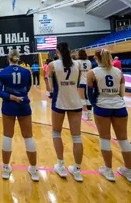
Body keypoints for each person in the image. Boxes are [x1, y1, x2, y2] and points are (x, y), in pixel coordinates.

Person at [87, 49, 131, 183]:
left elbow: (89, 93)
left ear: (96, 58)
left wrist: (94, 104)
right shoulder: (119, 72)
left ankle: (108, 170)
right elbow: (122, 92)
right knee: (123, 139)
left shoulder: (93, 72)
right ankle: (129, 171)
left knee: (104, 138)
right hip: (119, 106)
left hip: (102, 105)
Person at [0, 50, 39, 181]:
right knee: (28, 136)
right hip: (23, 104)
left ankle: (5, 168)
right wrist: (19, 96)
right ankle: (34, 169)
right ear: (18, 59)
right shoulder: (26, 72)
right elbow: (28, 87)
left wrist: (10, 97)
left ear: (8, 58)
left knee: (7, 136)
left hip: (8, 105)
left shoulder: (3, 73)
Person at [47, 42, 84, 182]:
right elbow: (78, 83)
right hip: (75, 102)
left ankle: (61, 165)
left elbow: (50, 88)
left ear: (57, 51)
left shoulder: (53, 65)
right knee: (77, 137)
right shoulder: (78, 65)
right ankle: (77, 170)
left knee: (56, 132)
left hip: (59, 102)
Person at [77, 49, 92, 121]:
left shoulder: (77, 62)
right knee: (88, 98)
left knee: (82, 98)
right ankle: (89, 114)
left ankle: (85, 114)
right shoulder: (89, 62)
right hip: (88, 81)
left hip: (81, 81)